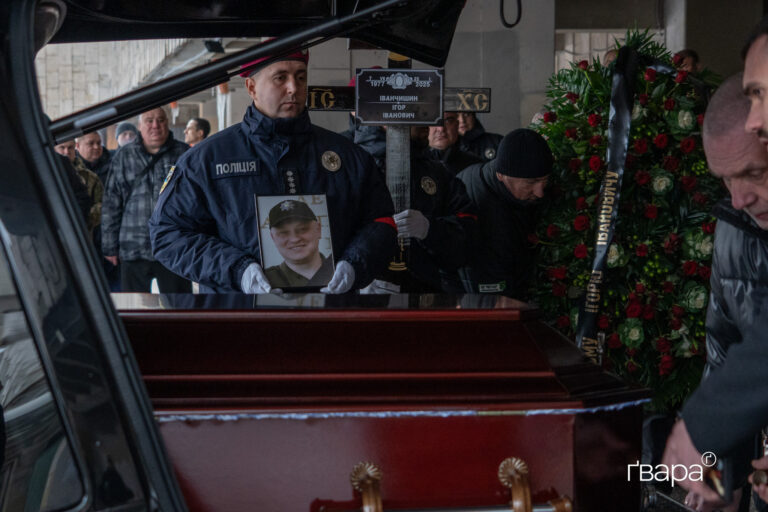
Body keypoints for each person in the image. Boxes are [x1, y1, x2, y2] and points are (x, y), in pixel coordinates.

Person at [148, 44, 397, 294]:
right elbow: (168, 234)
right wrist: (238, 270)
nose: (294, 88)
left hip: (326, 312)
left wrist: (355, 264)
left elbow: (382, 221)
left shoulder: (349, 157)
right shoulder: (205, 160)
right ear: (252, 87)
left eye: (301, 77)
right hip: (240, 313)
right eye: (280, 78)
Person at [661, 72, 768, 512]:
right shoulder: (734, 226)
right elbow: (725, 349)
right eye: (725, 180)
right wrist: (723, 477)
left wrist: (705, 423)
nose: (740, 197)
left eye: (755, 173)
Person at [101, 107, 191, 293]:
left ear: (167, 123)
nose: (155, 126)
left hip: (174, 248)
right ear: (140, 126)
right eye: (149, 121)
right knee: (134, 310)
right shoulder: (124, 156)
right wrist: (110, 247)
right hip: (133, 248)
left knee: (180, 309)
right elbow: (112, 202)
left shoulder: (184, 155)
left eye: (160, 120)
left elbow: (196, 202)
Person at [456, 129, 551, 299]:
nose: (540, 193)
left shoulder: (501, 187)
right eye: (531, 182)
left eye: (544, 181)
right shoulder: (477, 203)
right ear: (501, 175)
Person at [263, 199, 334, 288]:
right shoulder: (265, 280)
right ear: (273, 238)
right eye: (283, 233)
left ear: (318, 230)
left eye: (303, 229)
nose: (294, 239)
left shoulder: (341, 269)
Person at [54, 138, 103, 235]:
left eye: (70, 148)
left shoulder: (90, 177)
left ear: (75, 148)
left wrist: (84, 215)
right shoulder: (49, 175)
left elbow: (103, 205)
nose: (66, 152)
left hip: (82, 234)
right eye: (62, 148)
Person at [423, 111, 482, 175]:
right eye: (433, 121)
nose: (441, 128)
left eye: (448, 121)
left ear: (457, 125)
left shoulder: (476, 166)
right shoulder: (412, 165)